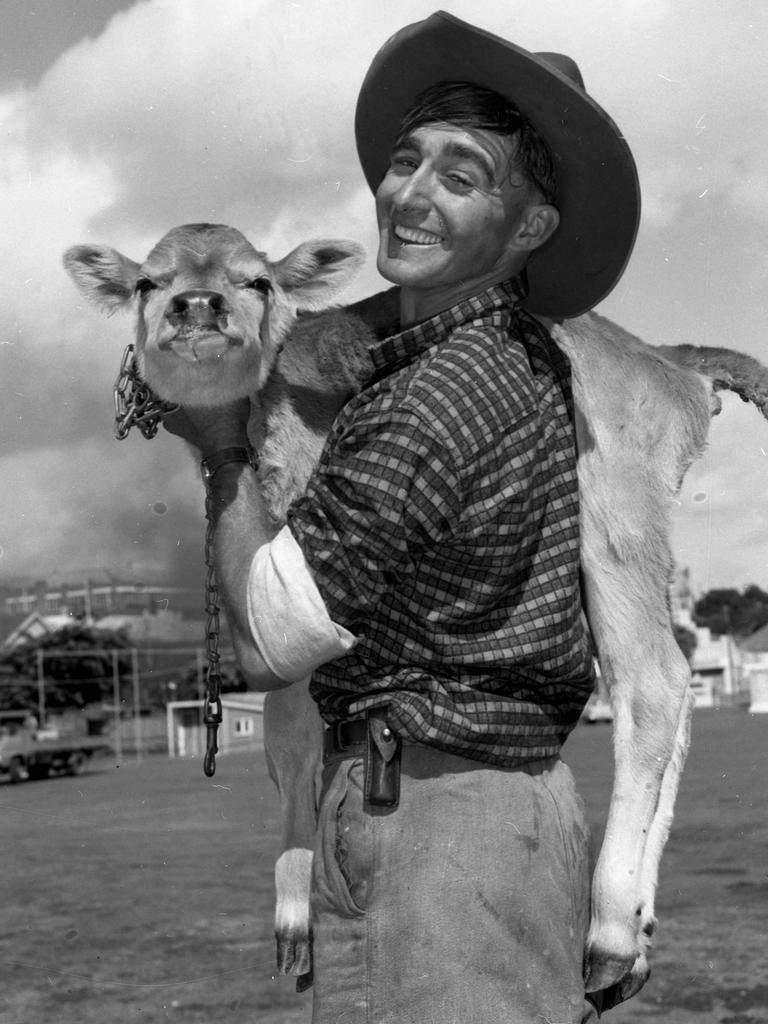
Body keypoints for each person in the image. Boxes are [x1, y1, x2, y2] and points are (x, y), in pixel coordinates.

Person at [169, 12, 640, 1023]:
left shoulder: (437, 396)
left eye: (462, 176)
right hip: (466, 811)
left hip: (441, 823)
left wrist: (219, 445)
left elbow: (272, 640)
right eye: (404, 159)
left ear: (530, 229)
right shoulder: (493, 360)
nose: (409, 194)